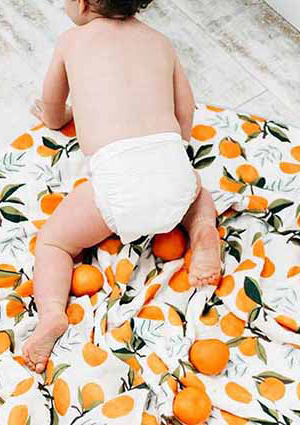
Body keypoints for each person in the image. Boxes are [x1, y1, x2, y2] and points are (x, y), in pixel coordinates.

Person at [21, 0, 221, 373]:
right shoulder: (161, 42)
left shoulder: (71, 42)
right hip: (170, 163)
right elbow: (185, 113)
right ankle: (203, 229)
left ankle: (51, 314)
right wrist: (174, 147)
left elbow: (51, 108)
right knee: (196, 191)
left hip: (117, 182)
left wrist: (60, 117)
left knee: (54, 243)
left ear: (81, 2)